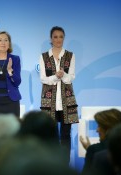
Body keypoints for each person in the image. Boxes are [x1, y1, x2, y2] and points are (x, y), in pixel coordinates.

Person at [39, 26, 79, 163]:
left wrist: (63, 75)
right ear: (51, 39)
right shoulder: (44, 56)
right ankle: (52, 164)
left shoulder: (70, 55)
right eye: (55, 37)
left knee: (66, 135)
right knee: (51, 135)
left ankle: (64, 165)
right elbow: (43, 79)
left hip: (67, 101)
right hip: (49, 102)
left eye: (61, 36)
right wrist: (56, 76)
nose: (58, 39)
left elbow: (71, 77)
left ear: (64, 38)